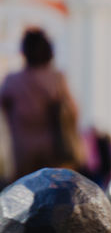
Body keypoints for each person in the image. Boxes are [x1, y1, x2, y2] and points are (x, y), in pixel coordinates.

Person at [0, 28, 85, 179]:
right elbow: (73, 111)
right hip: (55, 151)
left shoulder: (12, 81)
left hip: (22, 151)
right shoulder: (57, 79)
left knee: (23, 195)